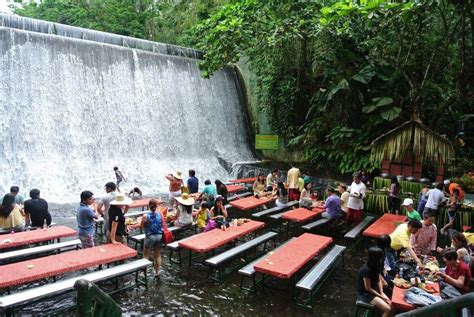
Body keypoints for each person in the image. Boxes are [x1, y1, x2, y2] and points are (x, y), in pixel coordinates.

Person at [356, 247, 393, 317]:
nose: (382, 259)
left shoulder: (375, 265)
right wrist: (380, 296)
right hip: (365, 294)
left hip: (374, 290)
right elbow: (368, 288)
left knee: (392, 305)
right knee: (388, 309)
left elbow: (378, 279)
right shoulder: (366, 270)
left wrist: (381, 292)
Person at [140, 198, 165, 279]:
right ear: (156, 205)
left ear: (149, 206)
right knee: (157, 255)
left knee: (146, 256)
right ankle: (157, 272)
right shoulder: (160, 214)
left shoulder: (145, 216)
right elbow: (163, 224)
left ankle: (145, 273)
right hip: (159, 236)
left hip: (150, 237)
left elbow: (142, 226)